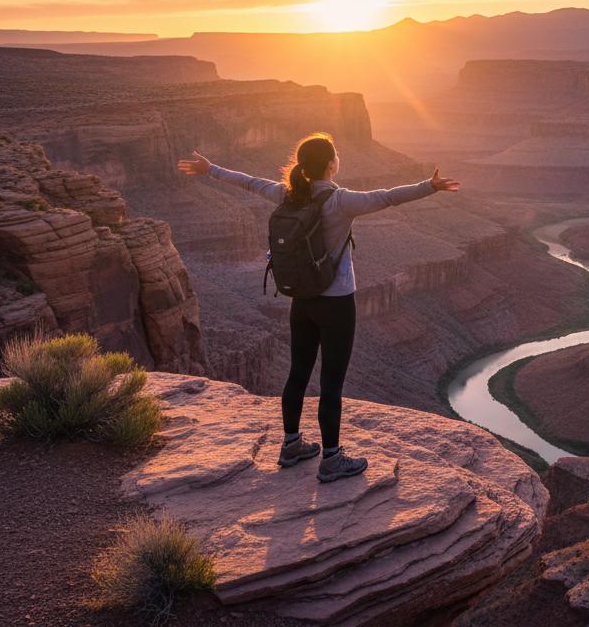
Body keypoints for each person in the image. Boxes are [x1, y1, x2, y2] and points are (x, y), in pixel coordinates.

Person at [177, 132, 459, 482]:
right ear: (330, 164)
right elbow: (386, 197)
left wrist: (210, 169)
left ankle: (291, 444)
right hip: (336, 303)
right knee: (331, 382)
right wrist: (429, 186)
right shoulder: (340, 201)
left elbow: (249, 182)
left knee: (298, 372)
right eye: (336, 154)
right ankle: (331, 459)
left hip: (302, 300)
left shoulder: (289, 193)